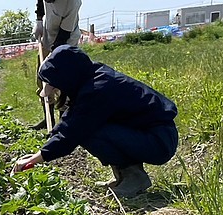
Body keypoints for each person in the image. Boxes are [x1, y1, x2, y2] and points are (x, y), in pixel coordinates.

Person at [12, 45, 178, 198]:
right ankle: (124, 176)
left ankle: (134, 177)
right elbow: (70, 119)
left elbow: (71, 132)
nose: (56, 91)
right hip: (150, 134)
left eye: (56, 86)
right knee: (85, 127)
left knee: (86, 132)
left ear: (67, 77)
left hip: (159, 140)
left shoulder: (98, 88)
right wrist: (39, 153)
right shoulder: (91, 79)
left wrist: (33, 160)